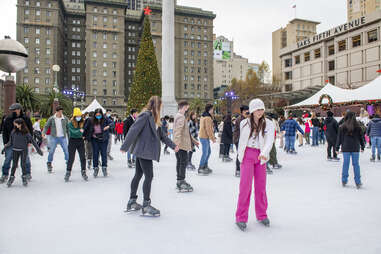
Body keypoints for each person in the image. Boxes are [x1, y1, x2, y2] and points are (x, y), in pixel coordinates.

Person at [121, 96, 179, 217]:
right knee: (149, 175)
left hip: (145, 150)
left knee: (138, 174)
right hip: (144, 151)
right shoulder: (145, 115)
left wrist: (173, 146)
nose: (161, 108)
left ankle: (132, 201)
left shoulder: (154, 118)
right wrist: (125, 146)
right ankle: (146, 205)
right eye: (160, 106)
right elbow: (133, 130)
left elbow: (162, 136)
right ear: (156, 106)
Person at [235, 99, 275, 231]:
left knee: (261, 187)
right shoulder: (243, 123)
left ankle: (262, 214)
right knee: (245, 187)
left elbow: (270, 140)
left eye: (262, 109)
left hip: (261, 156)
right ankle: (241, 217)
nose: (260, 111)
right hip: (247, 155)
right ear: (252, 110)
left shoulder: (268, 123)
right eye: (258, 109)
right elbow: (241, 141)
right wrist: (240, 155)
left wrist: (264, 153)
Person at [2, 118, 43, 187]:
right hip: (15, 150)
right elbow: (10, 142)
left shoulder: (26, 133)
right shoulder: (13, 132)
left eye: (16, 123)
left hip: (23, 151)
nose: (14, 124)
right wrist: (4, 148)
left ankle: (24, 177)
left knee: (23, 165)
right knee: (14, 165)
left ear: (20, 124)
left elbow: (33, 141)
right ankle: (11, 178)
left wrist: (38, 150)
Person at [1, 103, 33, 183]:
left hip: (23, 143)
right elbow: (4, 132)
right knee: (7, 159)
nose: (13, 111)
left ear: (19, 110)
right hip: (11, 143)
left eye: (14, 110)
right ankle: (5, 174)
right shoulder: (8, 119)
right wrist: (5, 142)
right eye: (12, 110)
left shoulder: (26, 119)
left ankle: (27, 173)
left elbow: (30, 130)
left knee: (26, 159)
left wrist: (29, 141)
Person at [173, 101, 199, 192]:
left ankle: (179, 180)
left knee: (180, 162)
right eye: (187, 107)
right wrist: (177, 145)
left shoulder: (179, 116)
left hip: (180, 144)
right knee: (182, 162)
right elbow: (177, 131)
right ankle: (181, 181)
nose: (187, 109)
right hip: (181, 145)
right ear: (184, 107)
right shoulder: (181, 117)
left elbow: (186, 132)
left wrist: (194, 140)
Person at [336, 111, 365, 189]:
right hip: (355, 148)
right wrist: (362, 146)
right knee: (356, 164)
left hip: (345, 148)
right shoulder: (358, 127)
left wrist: (337, 147)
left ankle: (344, 180)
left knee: (346, 164)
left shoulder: (342, 127)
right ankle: (358, 182)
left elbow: (339, 138)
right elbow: (361, 138)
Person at [83, 108, 114, 178]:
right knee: (95, 154)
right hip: (95, 139)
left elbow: (112, 123)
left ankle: (104, 168)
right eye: (97, 115)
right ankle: (95, 168)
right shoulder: (91, 120)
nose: (98, 116)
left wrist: (108, 126)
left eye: (99, 115)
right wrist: (84, 136)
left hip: (103, 139)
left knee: (104, 154)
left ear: (102, 114)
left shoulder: (105, 119)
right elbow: (86, 128)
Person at [42, 106, 70, 173]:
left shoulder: (65, 118)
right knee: (51, 151)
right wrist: (43, 133)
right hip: (54, 137)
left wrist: (69, 137)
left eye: (61, 111)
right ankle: (49, 163)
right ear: (56, 112)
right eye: (59, 111)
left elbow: (68, 128)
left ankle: (68, 163)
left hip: (62, 137)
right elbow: (46, 126)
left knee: (66, 150)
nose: (61, 113)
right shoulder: (52, 118)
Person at [65, 108, 88, 182]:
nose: (79, 117)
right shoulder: (70, 123)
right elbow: (73, 132)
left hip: (80, 141)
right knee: (71, 158)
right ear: (74, 116)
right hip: (72, 141)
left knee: (83, 157)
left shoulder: (83, 122)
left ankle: (83, 171)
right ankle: (68, 172)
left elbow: (86, 130)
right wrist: (80, 131)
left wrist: (84, 134)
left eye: (80, 116)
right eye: (77, 116)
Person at [198, 104, 216, 175]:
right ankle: (201, 167)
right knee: (205, 153)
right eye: (212, 109)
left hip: (203, 136)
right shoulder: (207, 117)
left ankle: (205, 166)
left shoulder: (203, 115)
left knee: (208, 152)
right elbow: (208, 129)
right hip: (204, 137)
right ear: (209, 109)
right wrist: (213, 138)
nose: (213, 110)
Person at [233, 105, 249, 177]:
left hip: (243, 139)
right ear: (243, 111)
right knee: (240, 154)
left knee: (244, 154)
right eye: (247, 110)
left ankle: (242, 169)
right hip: (238, 139)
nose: (248, 112)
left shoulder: (245, 118)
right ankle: (238, 170)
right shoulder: (240, 119)